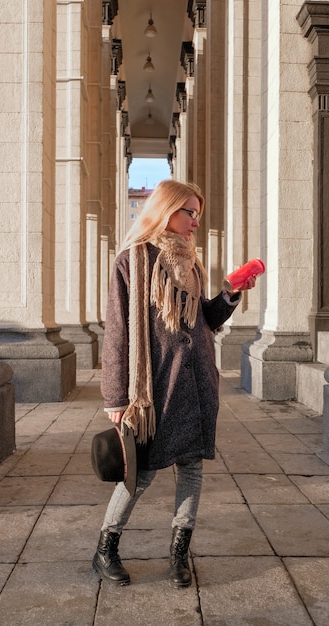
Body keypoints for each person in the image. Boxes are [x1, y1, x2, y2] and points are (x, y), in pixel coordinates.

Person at [92, 179, 256, 588]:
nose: (196, 222)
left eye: (199, 213)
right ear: (166, 210)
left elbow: (204, 321)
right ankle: (105, 549)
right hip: (154, 390)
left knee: (191, 470)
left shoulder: (193, 264)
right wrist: (115, 395)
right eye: (190, 212)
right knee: (140, 473)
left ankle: (179, 557)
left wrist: (231, 294)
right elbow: (117, 331)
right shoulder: (132, 261)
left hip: (197, 382)